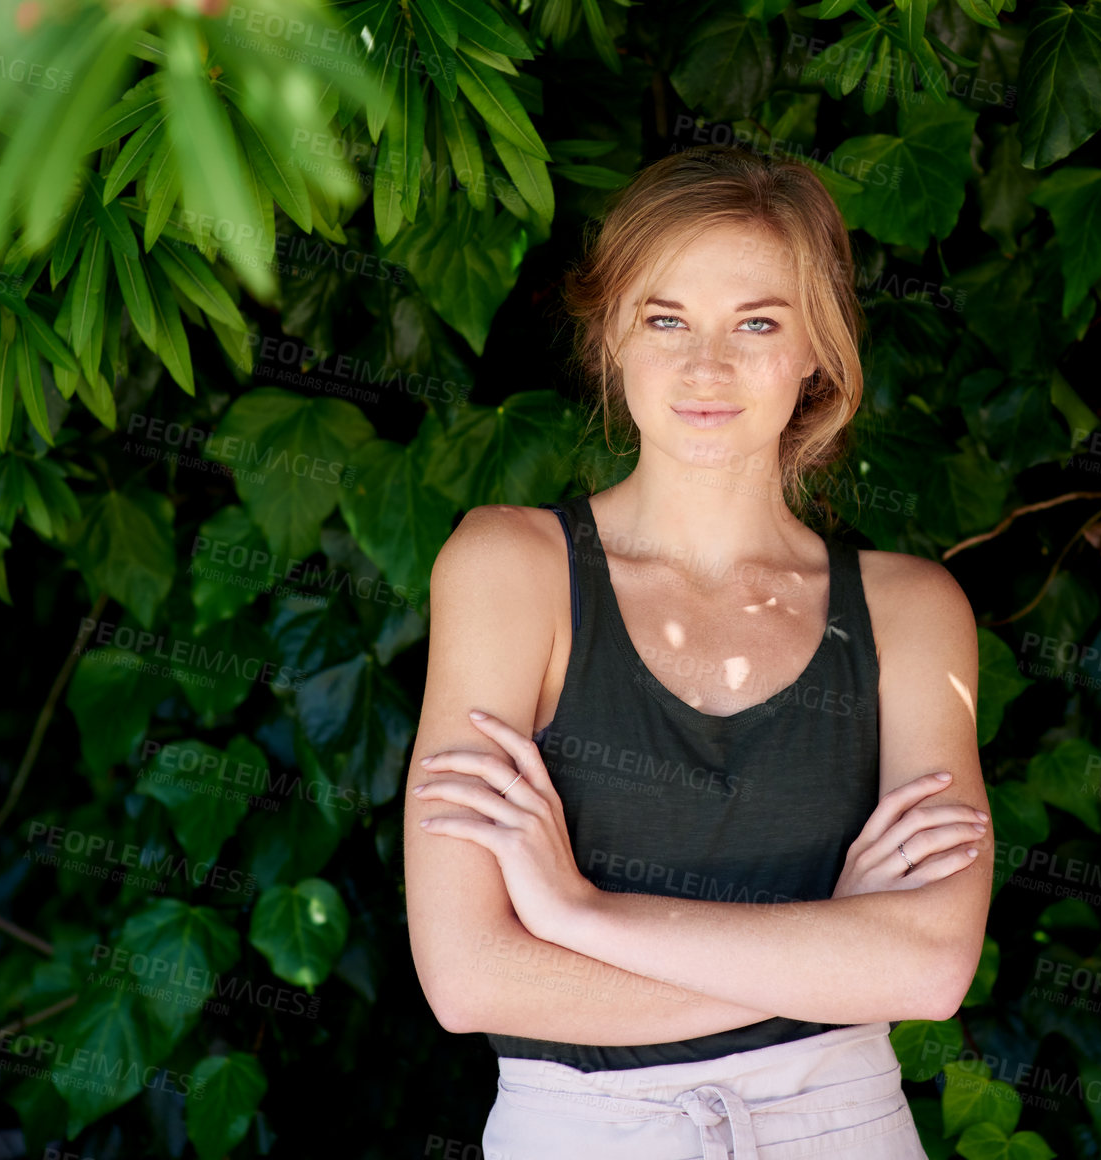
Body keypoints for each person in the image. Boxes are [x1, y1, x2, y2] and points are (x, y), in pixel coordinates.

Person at [403, 144, 994, 1158]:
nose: (703, 366)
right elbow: (469, 977)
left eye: (754, 322)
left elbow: (928, 970)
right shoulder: (509, 568)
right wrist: (828, 946)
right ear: (611, 338)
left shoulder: (909, 611)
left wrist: (577, 913)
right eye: (664, 319)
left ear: (816, 346)